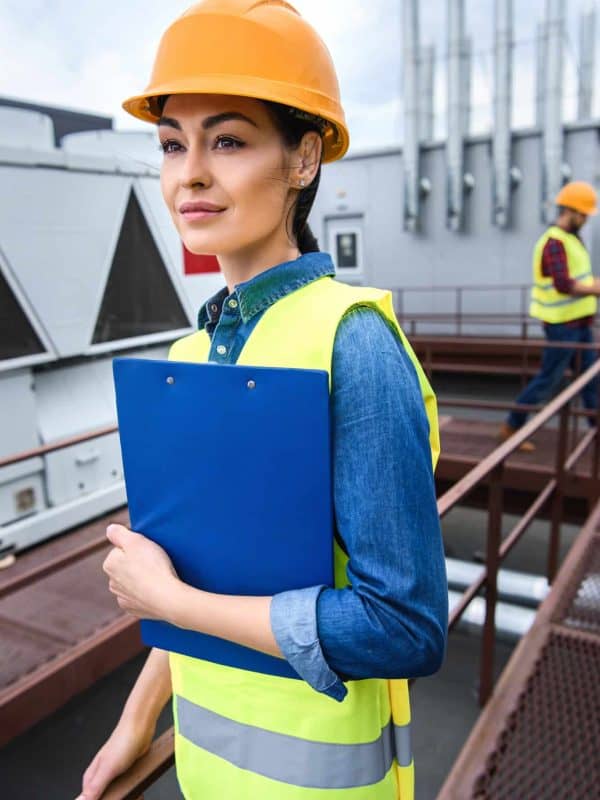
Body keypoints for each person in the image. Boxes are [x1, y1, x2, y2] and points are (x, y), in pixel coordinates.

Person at [79, 2, 447, 798]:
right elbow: (197, 581)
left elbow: (404, 628)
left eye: (230, 140)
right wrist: (136, 722)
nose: (191, 174)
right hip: (206, 777)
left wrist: (169, 600)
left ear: (305, 158)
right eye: (173, 144)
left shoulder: (352, 341)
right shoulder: (188, 353)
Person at [499, 181, 600, 451]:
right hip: (562, 326)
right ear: (572, 212)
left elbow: (579, 277)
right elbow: (564, 284)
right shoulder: (554, 243)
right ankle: (512, 426)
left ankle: (596, 431)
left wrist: (592, 284)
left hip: (580, 323)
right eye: (584, 214)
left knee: (591, 379)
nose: (586, 219)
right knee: (548, 379)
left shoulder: (571, 240)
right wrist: (595, 288)